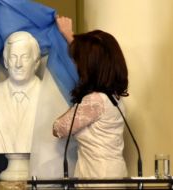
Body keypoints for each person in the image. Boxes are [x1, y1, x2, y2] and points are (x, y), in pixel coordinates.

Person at [53, 16, 129, 179]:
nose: (78, 66)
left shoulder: (94, 101)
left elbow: (58, 128)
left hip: (97, 178)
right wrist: (69, 35)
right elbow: (93, 55)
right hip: (114, 174)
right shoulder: (114, 98)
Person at [0, 31, 41, 154]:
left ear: (36, 63)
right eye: (13, 57)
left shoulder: (48, 96)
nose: (18, 64)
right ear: (6, 62)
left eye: (25, 57)